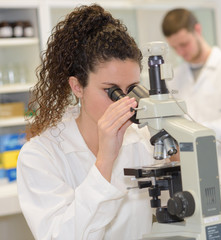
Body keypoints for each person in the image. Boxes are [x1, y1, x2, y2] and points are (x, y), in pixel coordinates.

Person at [17, 5, 155, 239]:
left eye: (131, 90)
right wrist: (105, 161)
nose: (124, 104)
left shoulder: (143, 140)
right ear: (77, 86)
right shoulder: (40, 156)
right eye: (111, 91)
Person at [162, 8, 221, 226]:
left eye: (184, 44)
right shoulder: (176, 77)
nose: (181, 52)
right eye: (175, 47)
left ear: (197, 30)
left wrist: (200, 131)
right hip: (189, 174)